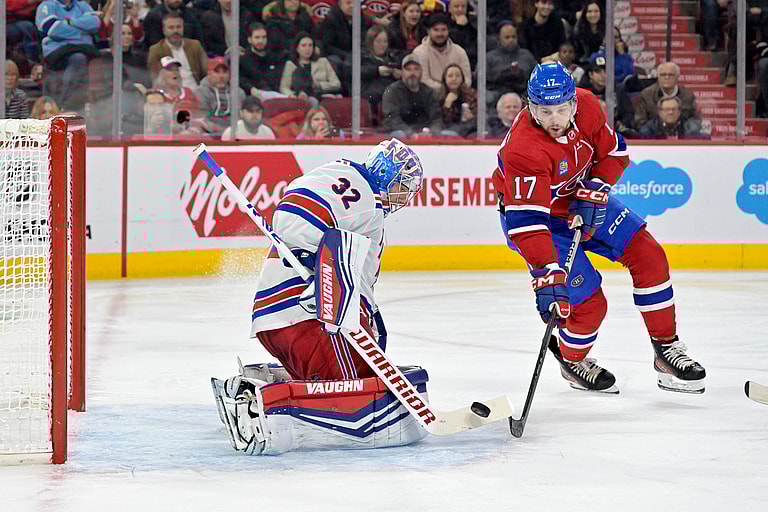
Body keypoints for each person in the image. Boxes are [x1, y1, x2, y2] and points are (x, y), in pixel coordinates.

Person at [492, 62, 706, 394]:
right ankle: (572, 358)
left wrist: (597, 184)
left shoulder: (589, 105)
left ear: (573, 103)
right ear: (530, 105)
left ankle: (666, 349)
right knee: (591, 305)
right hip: (542, 221)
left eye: (561, 109)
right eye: (544, 111)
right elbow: (527, 223)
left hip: (581, 199)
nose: (553, 119)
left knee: (649, 255)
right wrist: (546, 272)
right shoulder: (524, 147)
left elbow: (615, 153)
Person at [214, 138, 425, 454]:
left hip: (268, 321)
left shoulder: (333, 170)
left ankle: (257, 387)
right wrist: (374, 337)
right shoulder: (372, 215)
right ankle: (265, 406)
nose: (403, 197)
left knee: (326, 380)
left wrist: (309, 249)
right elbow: (360, 291)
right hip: (308, 323)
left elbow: (291, 210)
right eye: (403, 186)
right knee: (359, 389)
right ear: (389, 176)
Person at [35, 0, 101, 111]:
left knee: (94, 60)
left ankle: (81, 108)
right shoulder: (47, 5)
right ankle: (65, 105)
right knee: (78, 59)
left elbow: (95, 23)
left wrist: (69, 22)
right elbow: (51, 28)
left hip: (83, 49)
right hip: (57, 50)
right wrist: (81, 33)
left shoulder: (82, 5)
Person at [380, 54, 442, 137]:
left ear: (421, 71)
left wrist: (432, 132)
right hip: (399, 132)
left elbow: (436, 117)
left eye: (416, 69)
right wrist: (411, 133)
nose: (412, 73)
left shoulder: (428, 92)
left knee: (450, 135)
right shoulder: (392, 91)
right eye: (408, 69)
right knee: (400, 135)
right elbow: (392, 118)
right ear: (402, 72)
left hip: (425, 133)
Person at [411, 12, 471, 94]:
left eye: (443, 30)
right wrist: (445, 90)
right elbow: (423, 80)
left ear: (448, 31)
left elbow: (467, 79)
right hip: (429, 98)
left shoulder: (459, 51)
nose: (440, 34)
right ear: (428, 31)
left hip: (458, 95)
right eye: (436, 30)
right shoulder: (419, 52)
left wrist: (455, 91)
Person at [147, 12, 208, 90]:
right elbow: (154, 78)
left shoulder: (195, 45)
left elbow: (206, 71)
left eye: (178, 27)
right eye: (171, 27)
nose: (176, 30)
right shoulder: (156, 50)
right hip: (172, 92)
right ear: (164, 30)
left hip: (197, 90)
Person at [279, 33, 342, 105]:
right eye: (303, 45)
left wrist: (318, 85)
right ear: (297, 48)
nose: (307, 49)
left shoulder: (323, 62)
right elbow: (283, 87)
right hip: (300, 100)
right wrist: (294, 95)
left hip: (323, 97)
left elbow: (336, 84)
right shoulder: (290, 65)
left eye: (310, 45)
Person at [486, 21, 537, 106]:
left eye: (514, 37)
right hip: (497, 97)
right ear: (499, 38)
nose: (511, 40)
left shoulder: (526, 55)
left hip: (523, 97)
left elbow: (536, 78)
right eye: (507, 37)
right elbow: (482, 80)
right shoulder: (490, 57)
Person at [634, 62, 698, 128]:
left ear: (678, 76)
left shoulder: (688, 95)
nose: (666, 77)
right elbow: (640, 121)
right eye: (663, 75)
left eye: (671, 75)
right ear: (658, 76)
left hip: (683, 133)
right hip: (654, 134)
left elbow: (696, 120)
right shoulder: (646, 94)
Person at [197, 56, 247, 136]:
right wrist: (225, 132)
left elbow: (243, 118)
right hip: (210, 135)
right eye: (217, 72)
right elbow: (202, 119)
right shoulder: (200, 92)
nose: (221, 76)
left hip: (236, 135)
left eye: (225, 72)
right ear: (209, 73)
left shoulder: (239, 93)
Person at [239, 22, 287, 102]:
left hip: (278, 96)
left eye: (263, 37)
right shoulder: (244, 60)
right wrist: (251, 88)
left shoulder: (275, 57)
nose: (261, 41)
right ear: (249, 39)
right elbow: (240, 80)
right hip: (256, 99)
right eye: (257, 37)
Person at [438, 64, 477, 137]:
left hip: (469, 131)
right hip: (448, 131)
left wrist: (472, 117)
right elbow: (442, 121)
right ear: (444, 79)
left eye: (458, 76)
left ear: (462, 79)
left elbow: (479, 116)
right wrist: (447, 105)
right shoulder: (439, 97)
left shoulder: (471, 94)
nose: (454, 79)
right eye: (450, 76)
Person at [638, 96, 704, 137]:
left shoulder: (690, 128)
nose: (670, 112)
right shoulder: (648, 130)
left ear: (679, 112)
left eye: (674, 109)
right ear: (660, 112)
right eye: (667, 109)